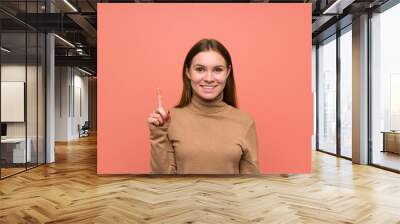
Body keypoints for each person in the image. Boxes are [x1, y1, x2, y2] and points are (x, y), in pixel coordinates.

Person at [147, 38, 259, 174]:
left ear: (228, 72)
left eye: (218, 70)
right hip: (182, 196)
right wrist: (158, 133)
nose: (209, 78)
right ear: (188, 72)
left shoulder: (244, 121)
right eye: (200, 69)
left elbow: (251, 186)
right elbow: (162, 183)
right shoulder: (169, 120)